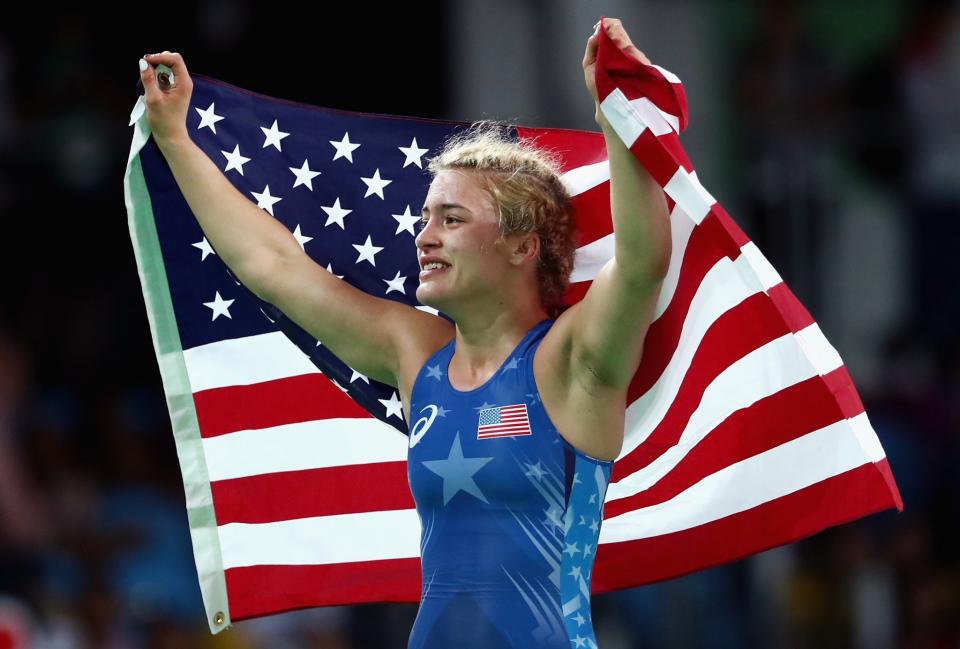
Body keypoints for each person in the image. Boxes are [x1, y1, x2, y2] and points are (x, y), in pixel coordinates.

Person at [139, 16, 671, 649]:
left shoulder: (572, 360)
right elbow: (274, 267)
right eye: (425, 217)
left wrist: (619, 112)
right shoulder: (418, 355)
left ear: (522, 247)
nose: (425, 237)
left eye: (451, 218)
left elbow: (641, 263)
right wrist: (175, 138)